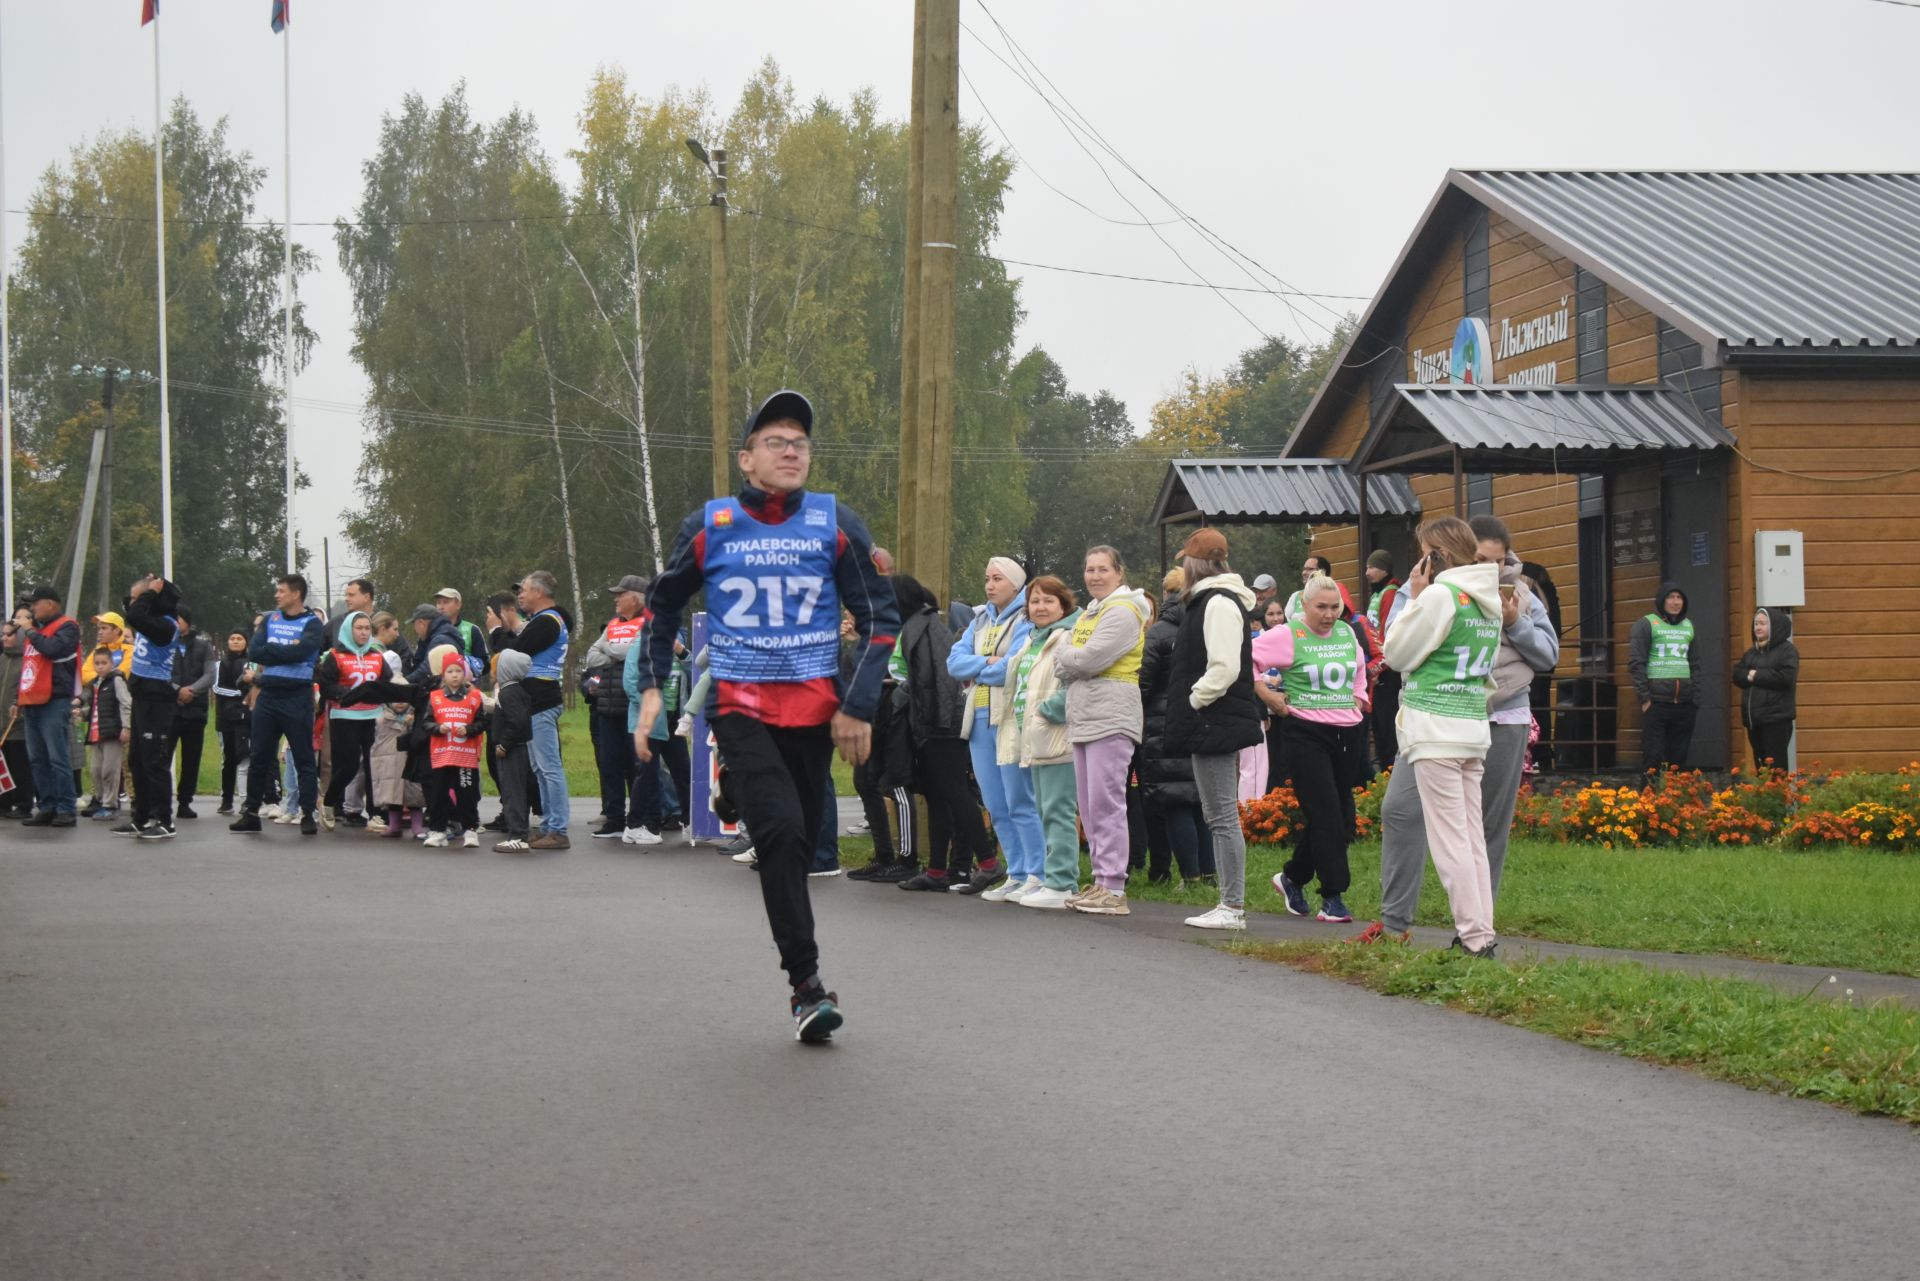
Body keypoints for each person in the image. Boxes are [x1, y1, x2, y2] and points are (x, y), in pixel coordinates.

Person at [635, 388, 898, 1043]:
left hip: (813, 714)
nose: (790, 450)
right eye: (774, 441)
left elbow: (879, 617)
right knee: (778, 832)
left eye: (800, 441)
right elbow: (662, 605)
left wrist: (855, 704)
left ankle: (746, 795)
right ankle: (808, 987)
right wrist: (650, 689)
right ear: (746, 458)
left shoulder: (837, 522)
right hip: (740, 704)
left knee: (801, 842)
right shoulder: (711, 525)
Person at [1376, 517, 1503, 958]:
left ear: (1438, 556)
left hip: (1434, 728)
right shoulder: (1489, 600)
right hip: (1470, 725)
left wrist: (1413, 594)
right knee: (1470, 838)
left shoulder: (1440, 595)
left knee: (1449, 843)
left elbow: (1395, 652)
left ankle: (1473, 939)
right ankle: (1482, 931)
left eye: (1423, 552)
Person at [1162, 529, 1262, 931]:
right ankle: (1229, 902)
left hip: (1214, 718)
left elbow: (1223, 667)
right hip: (1213, 717)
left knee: (1220, 816)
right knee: (1217, 814)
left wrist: (1193, 700)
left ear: (1194, 563)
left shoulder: (1218, 602)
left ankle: (1232, 905)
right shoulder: (1210, 600)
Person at [1256, 574, 1369, 924]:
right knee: (1325, 815)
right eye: (1321, 607)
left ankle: (1292, 877)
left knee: (1344, 820)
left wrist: (1360, 697)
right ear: (1303, 606)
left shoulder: (1347, 632)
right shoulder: (1289, 634)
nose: (1329, 614)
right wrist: (1268, 696)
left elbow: (1359, 670)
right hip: (1305, 731)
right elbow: (1244, 660)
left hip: (1347, 731)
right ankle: (1333, 897)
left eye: (1335, 607)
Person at [1052, 544, 1151, 917]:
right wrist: (1071, 658)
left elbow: (1088, 659)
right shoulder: (1092, 613)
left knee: (1107, 803)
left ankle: (1113, 886)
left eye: (1102, 569)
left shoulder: (1123, 612)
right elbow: (1068, 664)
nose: (1094, 576)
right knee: (1090, 805)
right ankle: (1100, 879)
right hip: (1084, 715)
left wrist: (1068, 655)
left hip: (1112, 714)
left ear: (1119, 573)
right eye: (1089, 569)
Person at [1468, 515, 1559, 894]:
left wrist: (1514, 624)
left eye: (1498, 561)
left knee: (1492, 819)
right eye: (1480, 561)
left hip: (1507, 712)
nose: (1491, 569)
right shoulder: (1445, 590)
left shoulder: (1522, 594)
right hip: (1457, 710)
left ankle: (1481, 904)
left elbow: (1548, 655)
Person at [892, 574, 991, 891]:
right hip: (935, 723)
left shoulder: (921, 627)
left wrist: (934, 726)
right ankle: (936, 870)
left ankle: (988, 862)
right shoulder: (921, 624)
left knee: (955, 794)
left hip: (941, 724)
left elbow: (941, 678)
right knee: (937, 796)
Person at [946, 556, 1037, 898]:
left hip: (1009, 716)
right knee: (995, 803)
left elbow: (1012, 668)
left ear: (1015, 583)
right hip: (979, 718)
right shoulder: (980, 618)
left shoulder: (1027, 618)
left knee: (1019, 800)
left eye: (997, 578)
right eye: (987, 578)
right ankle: (1015, 871)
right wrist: (986, 661)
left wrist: (979, 669)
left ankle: (1035, 872)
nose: (990, 585)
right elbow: (954, 663)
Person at [230, 573, 327, 836]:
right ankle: (251, 812)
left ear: (296, 594)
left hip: (297, 697)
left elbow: (302, 652)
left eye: (281, 591)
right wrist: (284, 651)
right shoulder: (271, 618)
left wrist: (275, 651)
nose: (276, 595)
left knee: (303, 757)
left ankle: (307, 813)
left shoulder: (312, 623)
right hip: (269, 696)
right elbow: (255, 651)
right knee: (260, 755)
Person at [1005, 575, 1081, 909]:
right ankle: (1052, 878)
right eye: (1035, 601)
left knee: (1057, 809)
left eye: (1048, 600)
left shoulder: (1067, 636)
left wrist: (1048, 711)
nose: (1040, 607)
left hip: (1056, 734)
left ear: (1063, 604)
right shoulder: (1033, 639)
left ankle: (1063, 882)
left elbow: (1076, 683)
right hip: (1033, 735)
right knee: (1042, 808)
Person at [1139, 568, 1216, 888]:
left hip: (1163, 724)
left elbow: (1143, 684)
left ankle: (1190, 875)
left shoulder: (1157, 633)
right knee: (1200, 803)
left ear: (1168, 593)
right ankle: (1211, 873)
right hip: (1203, 719)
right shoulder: (1207, 625)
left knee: (1175, 803)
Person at [499, 571, 574, 849]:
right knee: (540, 768)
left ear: (540, 593)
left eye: (525, 590)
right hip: (535, 699)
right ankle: (548, 825)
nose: (520, 595)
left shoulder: (546, 621)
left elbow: (516, 652)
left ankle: (558, 829)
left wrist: (500, 631)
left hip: (542, 699)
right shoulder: (541, 621)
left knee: (548, 767)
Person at [120, 574, 184, 839]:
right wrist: (145, 590)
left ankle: (164, 819)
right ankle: (141, 816)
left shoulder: (166, 626)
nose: (134, 603)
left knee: (154, 761)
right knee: (137, 760)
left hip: (157, 700)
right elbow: (132, 612)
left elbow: (135, 616)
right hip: (142, 698)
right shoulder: (150, 622)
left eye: (140, 598)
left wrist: (151, 592)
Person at [583, 575, 647, 841]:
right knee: (610, 765)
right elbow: (591, 656)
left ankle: (638, 820)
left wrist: (611, 650)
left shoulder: (648, 622)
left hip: (635, 705)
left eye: (621, 595)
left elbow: (635, 651)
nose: (616, 600)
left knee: (636, 766)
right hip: (606, 706)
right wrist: (616, 649)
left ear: (635, 597)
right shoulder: (611, 624)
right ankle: (614, 819)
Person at [17, 586, 82, 827]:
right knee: (37, 758)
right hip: (32, 700)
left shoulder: (68, 626)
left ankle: (66, 807)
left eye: (36, 604)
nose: (32, 609)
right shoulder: (39, 630)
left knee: (57, 757)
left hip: (54, 700)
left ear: (51, 604)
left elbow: (54, 649)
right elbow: (28, 669)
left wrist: (30, 632)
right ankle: (47, 805)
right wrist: (18, 699)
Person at [316, 611, 385, 831]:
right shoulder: (335, 656)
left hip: (372, 716)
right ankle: (328, 803)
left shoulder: (377, 656)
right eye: (359, 628)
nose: (364, 633)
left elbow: (387, 683)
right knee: (348, 766)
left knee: (374, 766)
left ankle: (375, 814)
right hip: (344, 716)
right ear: (348, 630)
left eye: (367, 628)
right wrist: (347, 693)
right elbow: (326, 686)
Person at [420, 647, 488, 848]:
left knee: (466, 794)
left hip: (465, 756)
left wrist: (468, 729)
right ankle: (438, 830)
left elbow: (482, 723)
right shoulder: (435, 698)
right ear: (443, 675)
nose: (454, 675)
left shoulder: (474, 698)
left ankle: (470, 829)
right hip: (442, 755)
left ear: (464, 673)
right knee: (438, 794)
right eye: (450, 671)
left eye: (458, 671)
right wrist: (438, 728)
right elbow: (426, 723)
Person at [1629, 582, 1699, 774]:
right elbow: (1637, 663)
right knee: (1653, 757)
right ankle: (1649, 801)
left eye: (1679, 598)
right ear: (1661, 600)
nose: (1676, 602)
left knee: (1679, 759)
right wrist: (1645, 699)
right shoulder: (1646, 624)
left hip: (1684, 703)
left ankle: (1676, 801)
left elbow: (1695, 664)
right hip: (1657, 703)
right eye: (1671, 597)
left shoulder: (1688, 626)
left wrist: (1695, 698)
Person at [1734, 608, 1798, 771]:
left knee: (1776, 770)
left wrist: (1756, 676)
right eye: (1756, 623)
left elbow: (1786, 678)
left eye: (1763, 623)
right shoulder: (1752, 653)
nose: (1758, 627)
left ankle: (1778, 797)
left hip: (1776, 720)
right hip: (1754, 721)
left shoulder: (1787, 651)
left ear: (1774, 626)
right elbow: (1737, 675)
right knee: (1762, 769)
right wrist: (1750, 675)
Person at [167, 606, 215, 819]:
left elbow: (210, 674)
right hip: (170, 709)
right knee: (162, 756)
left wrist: (192, 690)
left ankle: (185, 802)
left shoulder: (203, 646)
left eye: (177, 619)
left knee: (191, 758)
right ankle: (160, 801)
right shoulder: (164, 644)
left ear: (186, 621)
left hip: (196, 710)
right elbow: (159, 671)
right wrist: (176, 690)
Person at [1364, 548, 1406, 768]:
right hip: (1379, 663)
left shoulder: (1390, 592)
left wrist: (1379, 664)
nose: (1367, 572)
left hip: (1387, 668)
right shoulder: (1377, 593)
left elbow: (1387, 630)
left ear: (1383, 569)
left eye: (1371, 567)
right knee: (1379, 722)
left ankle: (1389, 766)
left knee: (1386, 720)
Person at [491, 649, 536, 851]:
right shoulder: (519, 690)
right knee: (518, 791)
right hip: (519, 749)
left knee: (513, 793)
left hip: (511, 751)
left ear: (505, 669)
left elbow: (518, 722)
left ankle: (517, 835)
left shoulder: (508, 693)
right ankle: (519, 832)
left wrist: (503, 744)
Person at [81, 645, 132, 820]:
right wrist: (81, 712)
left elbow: (126, 703)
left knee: (110, 770)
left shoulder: (116, 680)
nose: (100, 666)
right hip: (97, 733)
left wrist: (126, 727)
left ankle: (110, 805)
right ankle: (101, 801)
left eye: (104, 663)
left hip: (112, 732)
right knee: (95, 770)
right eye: (97, 663)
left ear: (112, 663)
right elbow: (95, 707)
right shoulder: (95, 683)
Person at [0, 605, 40, 818]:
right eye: (3, 635)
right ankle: (3, 802)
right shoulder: (2, 659)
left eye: (8, 635)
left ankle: (24, 804)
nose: (4, 638)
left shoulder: (27, 659)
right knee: (3, 765)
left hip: (19, 724)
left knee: (20, 765)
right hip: (1, 724)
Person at [211, 630, 251, 815]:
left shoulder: (251, 662)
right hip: (225, 718)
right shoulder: (221, 663)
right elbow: (217, 687)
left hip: (244, 717)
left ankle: (246, 799)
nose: (235, 641)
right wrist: (239, 694)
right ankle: (226, 800)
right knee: (228, 759)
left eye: (239, 638)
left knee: (244, 756)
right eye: (232, 638)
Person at [434, 588, 489, 681]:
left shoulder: (472, 629)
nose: (441, 607)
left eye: (446, 602)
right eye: (438, 603)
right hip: (437, 689)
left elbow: (485, 664)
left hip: (466, 688)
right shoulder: (431, 631)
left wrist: (465, 666)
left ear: (458, 604)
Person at [404, 603, 463, 685]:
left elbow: (427, 669)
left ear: (421, 623)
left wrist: (404, 681)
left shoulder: (440, 640)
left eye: (414, 625)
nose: (415, 630)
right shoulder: (436, 636)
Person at [1280, 553, 1334, 624]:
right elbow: (1287, 619)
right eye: (1304, 569)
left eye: (1310, 569)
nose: (1304, 573)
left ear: (1322, 572)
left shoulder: (1333, 594)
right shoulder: (1296, 595)